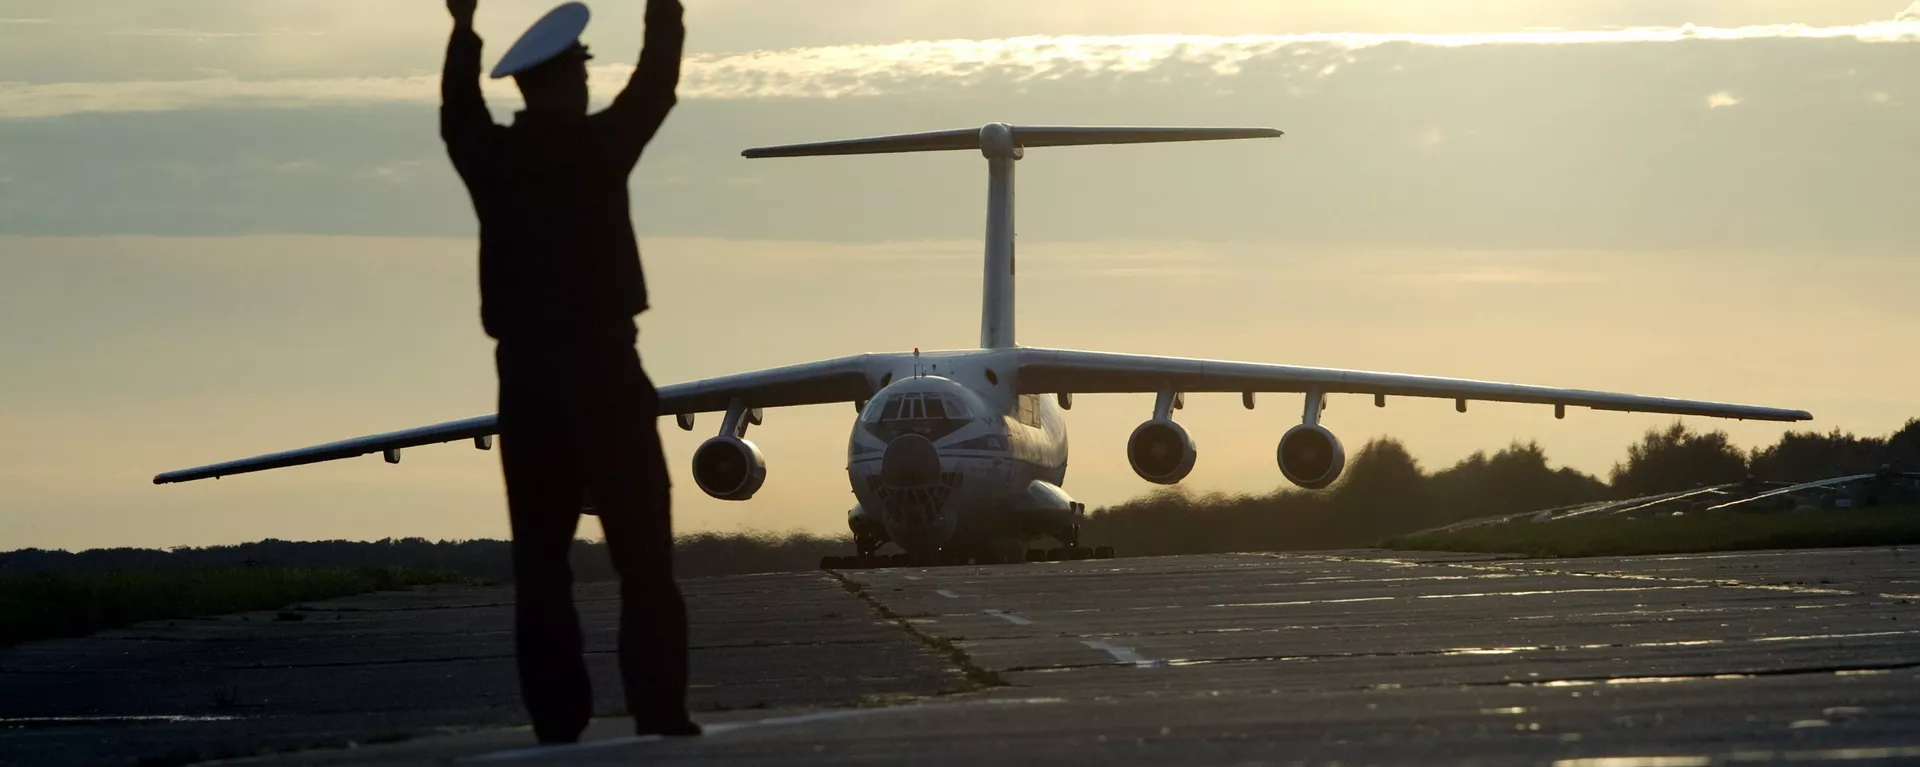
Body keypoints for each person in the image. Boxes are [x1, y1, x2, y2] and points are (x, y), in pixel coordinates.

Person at [438, 0, 695, 743]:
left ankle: (557, 719)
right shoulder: (599, 148)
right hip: (606, 368)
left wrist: (462, 25)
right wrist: (663, 7)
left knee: (542, 560)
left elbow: (457, 112)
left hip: (526, 378)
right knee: (644, 553)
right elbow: (658, 84)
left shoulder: (491, 159)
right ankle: (660, 707)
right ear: (570, 80)